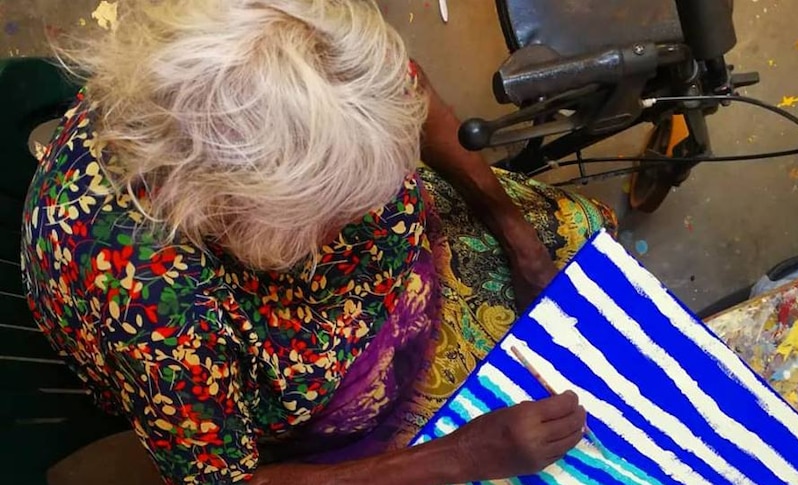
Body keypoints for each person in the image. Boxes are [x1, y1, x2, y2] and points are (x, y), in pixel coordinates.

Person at [21, 1, 616, 483]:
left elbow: (404, 91)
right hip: (283, 382)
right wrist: (458, 458)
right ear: (230, 214)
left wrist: (511, 231)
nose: (377, 211)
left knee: (579, 243)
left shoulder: (296, 44)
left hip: (366, 287)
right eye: (334, 215)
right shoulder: (156, 309)